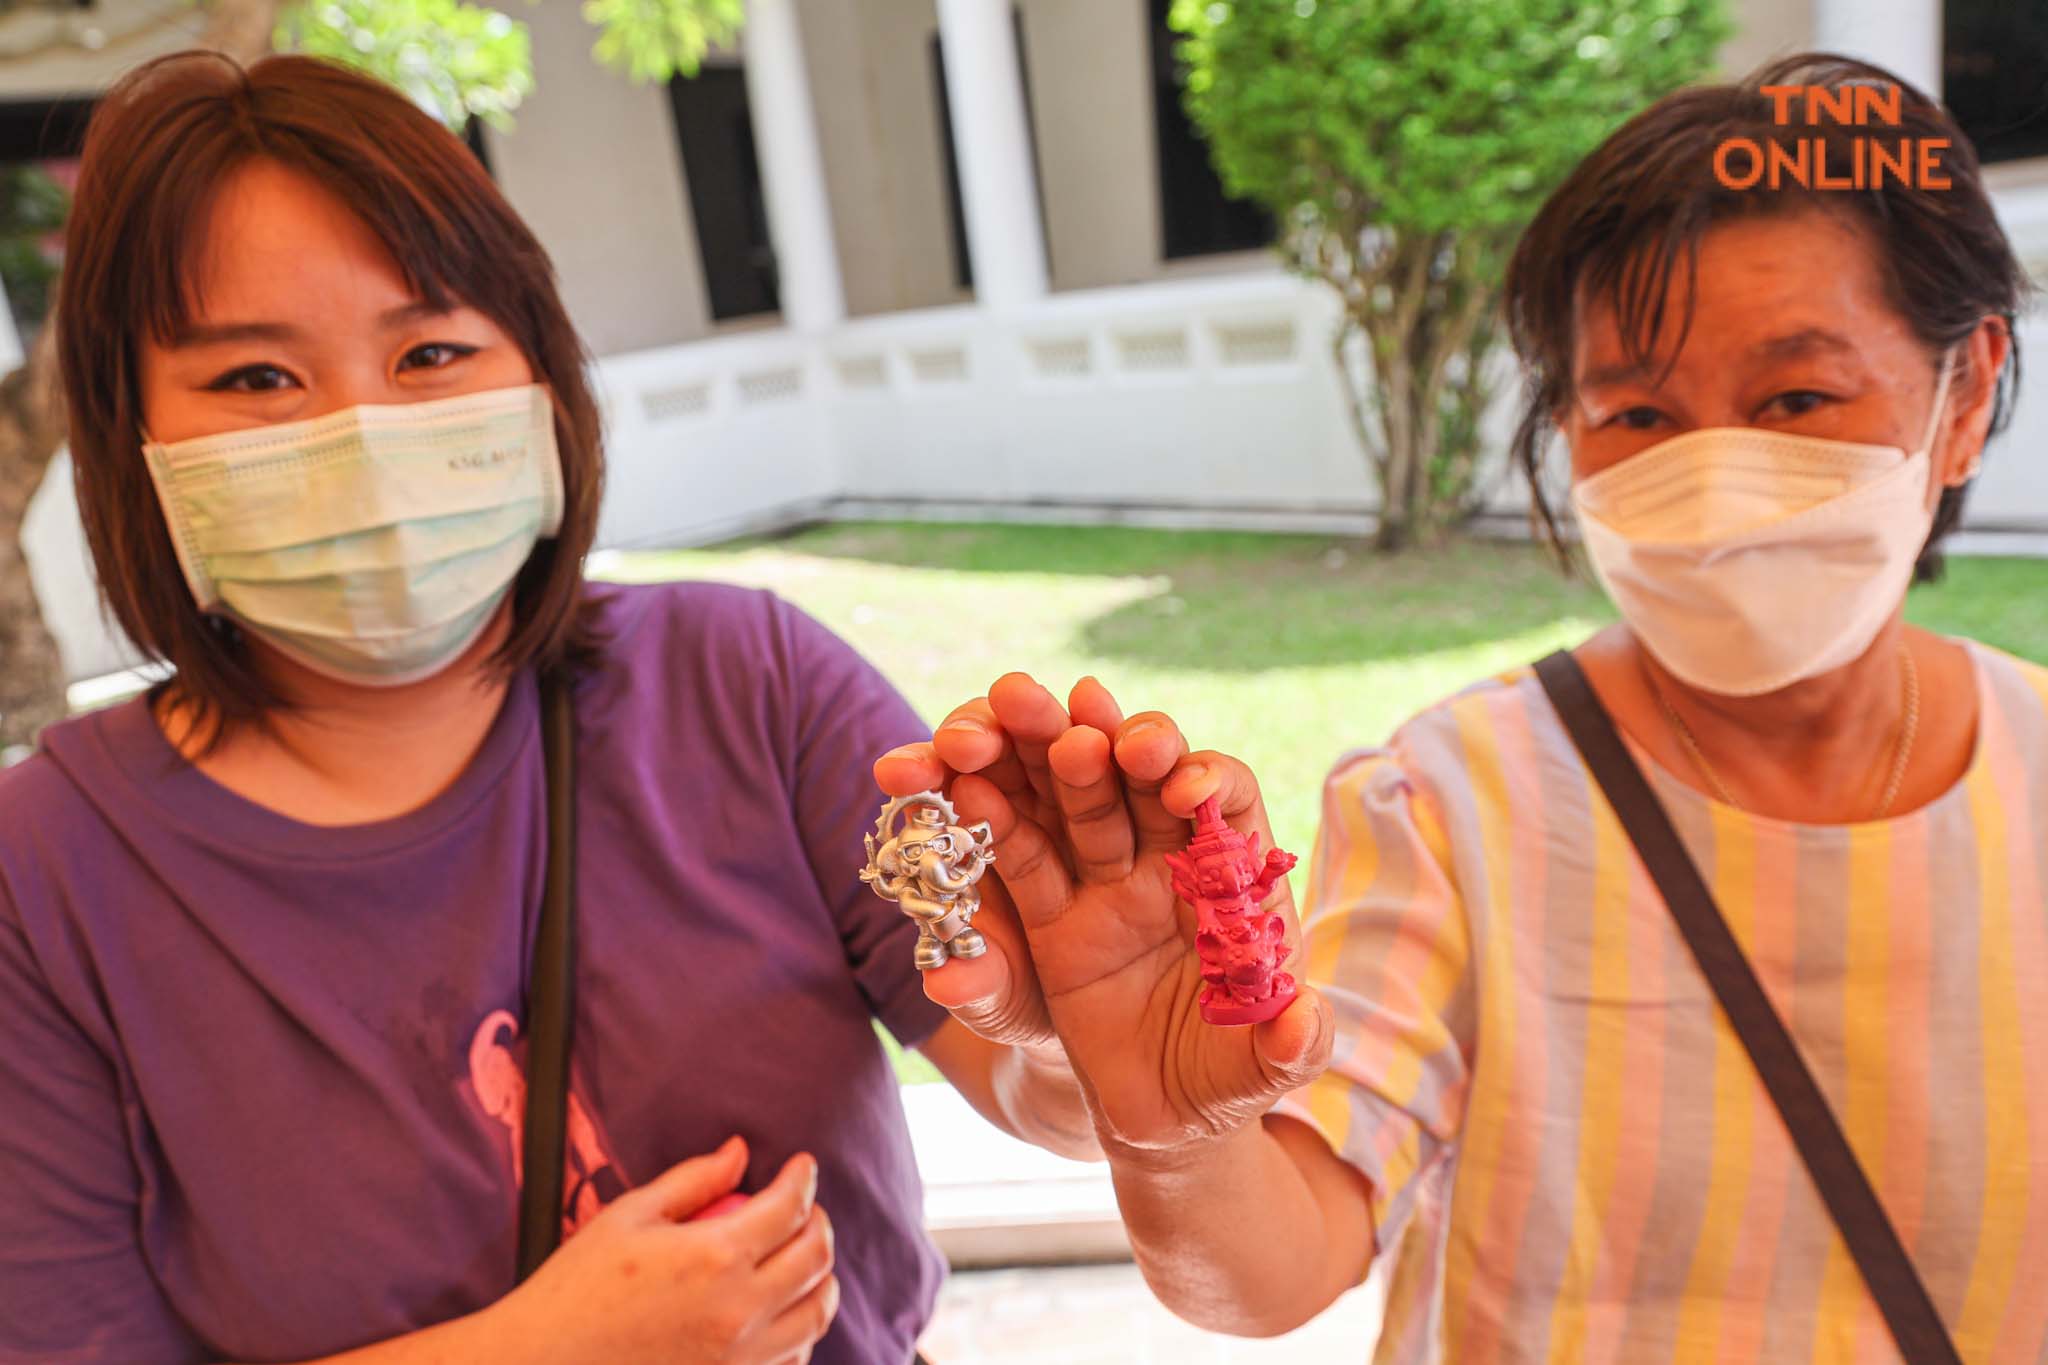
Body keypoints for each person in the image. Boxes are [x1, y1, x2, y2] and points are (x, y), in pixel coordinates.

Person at [880, 53, 2048, 1360]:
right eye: (1638, 411)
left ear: (1966, 392)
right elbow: (1278, 1258)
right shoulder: (1454, 802)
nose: (1715, 475)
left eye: (1796, 398)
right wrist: (1174, 1130)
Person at [0, 51, 1097, 1365]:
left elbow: (1030, 1071)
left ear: (541, 379)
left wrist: (1104, 1034)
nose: (361, 433)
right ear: (132, 437)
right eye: (256, 382)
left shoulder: (750, 683)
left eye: (430, 350)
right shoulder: (47, 875)